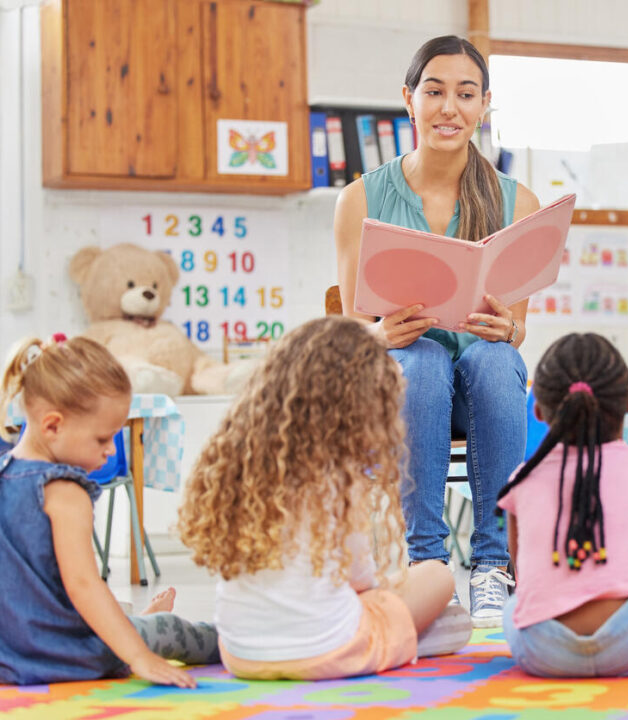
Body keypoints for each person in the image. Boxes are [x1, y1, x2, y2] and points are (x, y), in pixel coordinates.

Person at [333, 35, 541, 627]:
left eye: (466, 94)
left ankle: (493, 565)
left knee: (493, 359)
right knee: (420, 359)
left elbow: (516, 329)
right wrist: (380, 334)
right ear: (409, 99)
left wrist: (507, 329)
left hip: (485, 388)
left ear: (483, 106)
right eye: (435, 90)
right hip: (401, 387)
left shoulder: (515, 201)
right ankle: (429, 566)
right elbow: (352, 335)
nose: (450, 107)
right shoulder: (360, 199)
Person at [177, 317, 471, 681]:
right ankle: (408, 640)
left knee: (386, 595)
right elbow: (360, 578)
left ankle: (404, 636)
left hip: (240, 654)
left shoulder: (239, 462)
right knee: (439, 577)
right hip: (329, 650)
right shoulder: (337, 474)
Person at [0, 335, 218, 687]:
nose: (109, 454)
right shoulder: (65, 493)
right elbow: (84, 585)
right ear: (52, 425)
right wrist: (139, 658)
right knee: (174, 632)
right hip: (68, 654)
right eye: (103, 440)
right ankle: (240, 640)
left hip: (9, 660)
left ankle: (138, 620)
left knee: (123, 616)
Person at [496, 333, 628, 678]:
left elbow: (524, 574)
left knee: (514, 605)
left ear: (539, 411)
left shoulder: (522, 480)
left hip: (543, 650)